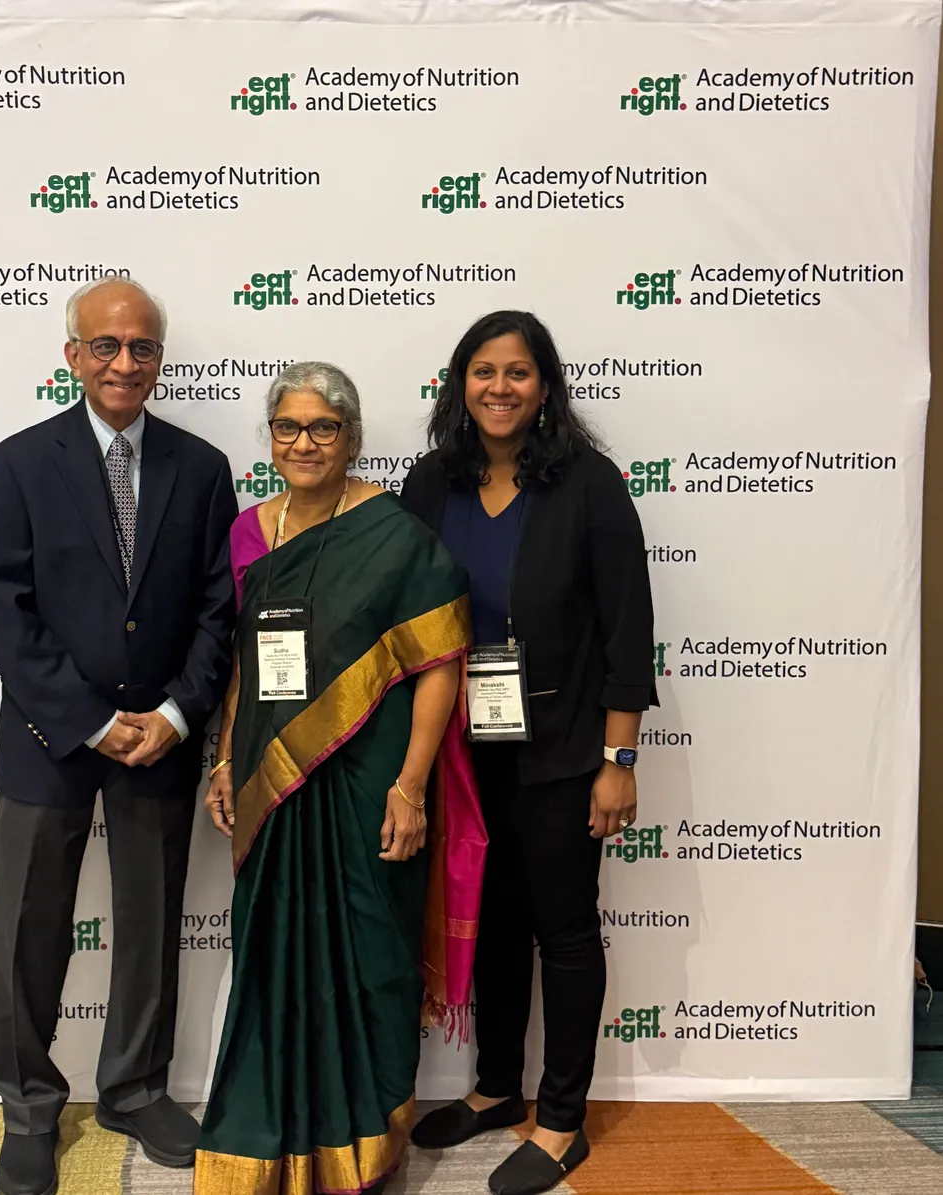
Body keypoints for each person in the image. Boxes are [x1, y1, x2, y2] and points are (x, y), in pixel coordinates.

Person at [196, 362, 485, 1195]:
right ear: (270, 438)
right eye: (288, 427)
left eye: (323, 427)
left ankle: (365, 1144)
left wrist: (410, 785)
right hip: (271, 785)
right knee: (272, 959)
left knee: (370, 958)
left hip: (367, 785)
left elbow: (439, 663)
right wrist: (226, 757)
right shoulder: (249, 533)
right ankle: (269, 1141)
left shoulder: (393, 533)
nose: (305, 442)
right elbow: (246, 663)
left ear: (352, 438)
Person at [0, 277, 237, 1195]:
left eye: (142, 347)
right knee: (27, 926)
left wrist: (175, 715)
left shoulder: (202, 468)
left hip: (160, 738)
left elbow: (218, 609)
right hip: (49, 736)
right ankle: (28, 1107)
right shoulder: (19, 463)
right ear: (73, 355)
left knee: (151, 920)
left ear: (160, 357)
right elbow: (7, 613)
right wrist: (90, 721)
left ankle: (134, 1089)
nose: (125, 362)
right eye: (106, 345)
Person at [403, 311, 657, 1195]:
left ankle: (561, 1120)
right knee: (497, 921)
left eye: (517, 372)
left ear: (545, 385)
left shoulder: (589, 484)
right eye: (483, 371)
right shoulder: (432, 482)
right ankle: (496, 1086)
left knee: (565, 928)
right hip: (462, 752)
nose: (499, 388)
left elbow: (628, 631)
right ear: (460, 383)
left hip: (564, 751)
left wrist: (618, 760)